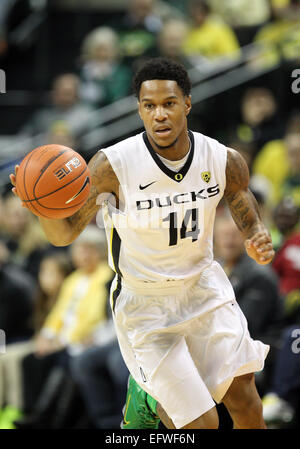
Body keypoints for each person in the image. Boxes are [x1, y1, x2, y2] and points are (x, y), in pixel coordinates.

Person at [10, 57, 274, 429]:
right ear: (139, 109)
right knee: (204, 423)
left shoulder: (221, 158)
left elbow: (239, 192)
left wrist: (255, 233)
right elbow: (65, 234)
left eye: (168, 104)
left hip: (204, 289)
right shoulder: (112, 166)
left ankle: (157, 396)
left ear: (187, 103)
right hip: (145, 305)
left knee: (247, 404)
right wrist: (39, 205)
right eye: (149, 106)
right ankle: (149, 398)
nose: (159, 115)